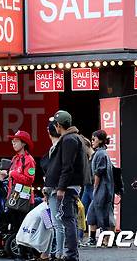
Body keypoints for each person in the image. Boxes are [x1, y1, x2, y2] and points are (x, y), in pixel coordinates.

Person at [44, 110, 84, 261]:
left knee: (67, 220)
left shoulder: (69, 140)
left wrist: (61, 188)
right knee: (65, 220)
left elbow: (67, 166)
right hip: (67, 186)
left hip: (67, 188)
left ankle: (71, 255)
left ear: (58, 125)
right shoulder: (71, 138)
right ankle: (69, 254)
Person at [7, 130, 36, 261]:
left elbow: (29, 180)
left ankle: (26, 254)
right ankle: (20, 253)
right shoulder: (14, 159)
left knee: (23, 227)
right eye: (13, 140)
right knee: (15, 227)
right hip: (13, 199)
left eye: (16, 140)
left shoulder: (29, 160)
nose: (13, 142)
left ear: (24, 143)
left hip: (24, 201)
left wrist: (13, 174)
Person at [86, 130, 114, 246]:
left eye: (94, 139)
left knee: (102, 213)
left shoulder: (101, 154)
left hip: (103, 189)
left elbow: (99, 172)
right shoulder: (100, 153)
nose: (92, 142)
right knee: (92, 213)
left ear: (101, 140)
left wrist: (95, 186)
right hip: (103, 189)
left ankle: (106, 239)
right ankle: (94, 239)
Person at [41, 120, 63, 261]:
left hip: (56, 190)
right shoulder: (56, 147)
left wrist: (49, 189)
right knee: (51, 222)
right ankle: (51, 252)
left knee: (57, 223)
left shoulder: (58, 148)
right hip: (53, 190)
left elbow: (56, 172)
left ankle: (59, 253)